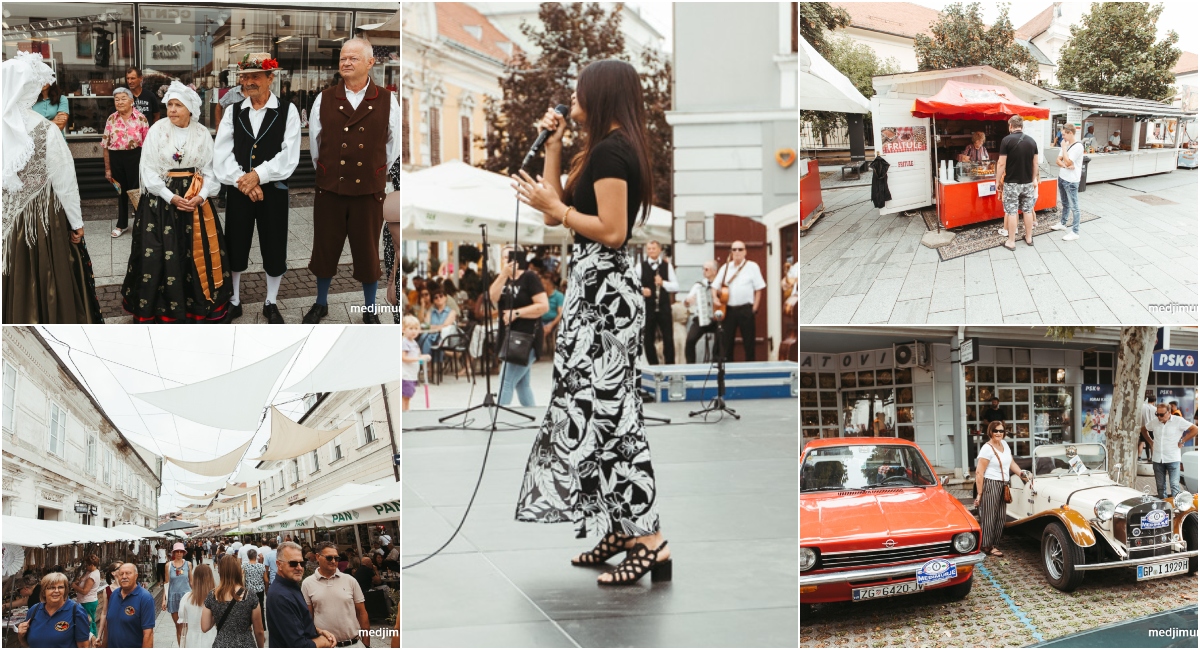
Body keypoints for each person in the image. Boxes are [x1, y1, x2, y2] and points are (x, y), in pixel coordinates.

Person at [510, 59, 670, 585]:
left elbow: (614, 230)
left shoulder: (611, 151)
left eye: (578, 90)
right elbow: (554, 213)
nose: (569, 97)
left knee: (612, 415)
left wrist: (556, 204)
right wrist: (554, 149)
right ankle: (618, 530)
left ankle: (649, 539)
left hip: (606, 296)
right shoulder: (599, 149)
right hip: (591, 290)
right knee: (589, 410)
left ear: (598, 94)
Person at [303, 37, 401, 325]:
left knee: (367, 253)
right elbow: (316, 144)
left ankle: (369, 309)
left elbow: (393, 147)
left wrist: (373, 173)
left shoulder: (387, 100)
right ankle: (320, 303)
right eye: (343, 58)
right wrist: (327, 172)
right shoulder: (325, 97)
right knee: (324, 249)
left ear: (370, 62)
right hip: (329, 190)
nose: (345, 62)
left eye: (353, 58)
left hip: (368, 193)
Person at [119, 80, 232, 322]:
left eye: (178, 105)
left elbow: (212, 171)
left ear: (190, 108)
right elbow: (148, 170)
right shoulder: (157, 130)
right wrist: (170, 196)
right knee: (158, 253)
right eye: (169, 104)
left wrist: (201, 197)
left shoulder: (202, 134)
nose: (172, 110)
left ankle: (197, 305)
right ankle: (159, 309)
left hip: (194, 201)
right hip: (161, 204)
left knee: (192, 254)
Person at [2, 52, 101, 324]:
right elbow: (64, 181)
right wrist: (77, 222)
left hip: (7, 219)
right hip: (41, 220)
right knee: (46, 273)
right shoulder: (45, 129)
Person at [214, 53, 302, 324]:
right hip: (240, 190)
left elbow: (289, 155)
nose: (248, 82)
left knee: (274, 244)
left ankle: (271, 301)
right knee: (236, 243)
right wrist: (245, 181)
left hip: (273, 191)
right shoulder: (233, 110)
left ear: (270, 78)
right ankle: (235, 300)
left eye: (255, 76)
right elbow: (222, 153)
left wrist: (259, 176)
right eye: (245, 77)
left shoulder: (288, 111)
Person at [489, 246, 548, 407]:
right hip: (508, 336)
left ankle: (499, 418)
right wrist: (503, 274)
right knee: (522, 384)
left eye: (512, 256)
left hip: (526, 337)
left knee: (506, 381)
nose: (508, 260)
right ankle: (534, 421)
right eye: (505, 257)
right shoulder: (502, 278)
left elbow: (543, 306)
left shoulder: (529, 277)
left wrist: (516, 313)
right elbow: (493, 297)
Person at [973, 421, 1029, 557]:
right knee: (989, 516)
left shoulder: (1004, 444)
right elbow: (979, 472)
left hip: (1004, 484)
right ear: (990, 432)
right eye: (995, 431)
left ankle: (994, 544)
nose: (998, 433)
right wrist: (980, 494)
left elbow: (1011, 463)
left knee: (1000, 516)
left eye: (1001, 431)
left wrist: (1022, 474)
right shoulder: (987, 448)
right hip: (991, 483)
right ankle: (986, 546)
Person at [267, 542, 338, 648]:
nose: (299, 568)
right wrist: (324, 642)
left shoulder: (290, 586)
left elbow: (298, 623)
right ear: (279, 565)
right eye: (293, 564)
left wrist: (319, 631)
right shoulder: (281, 596)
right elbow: (299, 645)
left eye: (302, 563)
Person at [303, 542, 370, 648]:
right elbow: (308, 617)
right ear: (317, 557)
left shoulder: (350, 580)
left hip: (353, 644)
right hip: (325, 645)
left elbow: (362, 612)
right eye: (329, 558)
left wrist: (366, 644)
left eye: (336, 558)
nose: (333, 561)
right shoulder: (308, 583)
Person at [103, 87, 150, 239]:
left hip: (135, 158)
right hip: (116, 159)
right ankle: (121, 224)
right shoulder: (111, 119)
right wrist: (108, 169)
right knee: (121, 192)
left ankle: (141, 222)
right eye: (116, 99)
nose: (120, 102)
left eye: (123, 98)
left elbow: (148, 145)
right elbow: (105, 146)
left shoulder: (141, 118)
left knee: (137, 192)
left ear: (132, 101)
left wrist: (147, 166)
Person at [712, 241, 766, 362]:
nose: (737, 252)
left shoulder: (752, 267)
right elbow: (714, 286)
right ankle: (729, 371)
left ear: (745, 251)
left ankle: (751, 370)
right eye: (734, 249)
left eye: (740, 249)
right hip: (729, 310)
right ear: (731, 252)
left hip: (746, 309)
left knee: (749, 342)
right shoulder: (725, 268)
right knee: (727, 343)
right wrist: (715, 298)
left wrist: (754, 308)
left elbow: (759, 289)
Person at [201, 555, 264, 648]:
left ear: (220, 571)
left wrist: (218, 611)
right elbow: (259, 631)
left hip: (221, 644)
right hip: (245, 644)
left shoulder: (213, 595)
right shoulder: (249, 595)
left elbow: (205, 627)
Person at [997, 115, 1040, 251]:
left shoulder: (1006, 140)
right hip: (1027, 183)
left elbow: (1001, 163)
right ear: (1022, 126)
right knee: (1027, 210)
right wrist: (1032, 179)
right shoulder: (1032, 141)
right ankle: (1028, 238)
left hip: (1011, 183)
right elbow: (1035, 164)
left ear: (1010, 126)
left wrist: (997, 180)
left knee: (1011, 211)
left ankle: (1011, 241)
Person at [16, 572, 91, 648]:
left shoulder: (76, 611)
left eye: (60, 587)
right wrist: (21, 636)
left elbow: (83, 646)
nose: (56, 591)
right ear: (44, 592)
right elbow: (27, 645)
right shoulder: (34, 610)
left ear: (65, 590)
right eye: (51, 587)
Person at [1147, 403, 1198, 499]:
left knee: (1174, 485)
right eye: (1157, 414)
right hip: (1157, 458)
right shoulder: (1154, 422)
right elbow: (1144, 429)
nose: (1159, 417)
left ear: (1169, 412)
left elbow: (1195, 429)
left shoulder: (1178, 421)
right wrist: (1150, 441)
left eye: (1161, 415)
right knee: (1160, 487)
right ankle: (1163, 508)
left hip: (1173, 458)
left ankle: (1176, 510)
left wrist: (1183, 441)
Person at [98, 564, 154, 648]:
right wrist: (103, 645)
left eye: (128, 573)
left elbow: (148, 634)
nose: (124, 577)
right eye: (121, 574)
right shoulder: (114, 595)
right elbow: (108, 624)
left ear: (136, 576)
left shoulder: (145, 598)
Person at [640, 240, 678, 365]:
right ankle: (654, 366)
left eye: (654, 248)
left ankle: (670, 366)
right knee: (648, 339)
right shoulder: (640, 266)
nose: (651, 251)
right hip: (648, 307)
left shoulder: (668, 266)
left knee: (668, 338)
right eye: (649, 248)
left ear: (659, 250)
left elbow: (676, 286)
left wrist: (663, 283)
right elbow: (633, 285)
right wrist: (642, 290)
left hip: (664, 307)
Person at [1049, 122, 1084, 242]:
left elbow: (1069, 162)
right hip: (1063, 177)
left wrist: (1064, 150)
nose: (1062, 137)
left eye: (1064, 134)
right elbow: (1058, 161)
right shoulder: (1067, 144)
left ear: (1070, 133)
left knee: (1074, 206)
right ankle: (1063, 223)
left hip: (1072, 180)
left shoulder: (1078, 146)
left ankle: (1075, 231)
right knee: (1065, 203)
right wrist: (1065, 165)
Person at [684, 260, 719, 364]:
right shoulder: (699, 285)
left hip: (715, 318)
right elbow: (686, 303)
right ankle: (690, 365)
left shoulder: (720, 285)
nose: (704, 271)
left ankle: (716, 362)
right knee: (690, 340)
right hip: (700, 318)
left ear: (715, 271)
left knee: (721, 337)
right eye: (703, 269)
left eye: (707, 269)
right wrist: (688, 301)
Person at [178, 563, 217, 648]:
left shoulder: (186, 598)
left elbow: (182, 624)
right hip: (212, 638)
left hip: (191, 640)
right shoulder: (217, 598)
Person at [162, 542, 192, 646]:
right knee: (178, 626)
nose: (179, 553)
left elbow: (191, 582)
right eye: (177, 551)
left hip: (186, 598)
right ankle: (181, 646)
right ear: (174, 553)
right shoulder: (168, 565)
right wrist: (164, 600)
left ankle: (187, 646)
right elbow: (166, 583)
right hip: (173, 598)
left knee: (186, 626)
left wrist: (197, 597)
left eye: (181, 551)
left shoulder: (188, 564)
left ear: (184, 552)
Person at [71, 554, 103, 639]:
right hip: (90, 601)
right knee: (91, 621)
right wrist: (80, 581)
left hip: (87, 601)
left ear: (92, 565)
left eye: (87, 565)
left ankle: (90, 640)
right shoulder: (92, 572)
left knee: (88, 621)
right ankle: (93, 639)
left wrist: (75, 587)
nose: (86, 566)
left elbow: (85, 591)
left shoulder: (92, 576)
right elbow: (83, 581)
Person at [402, 314, 431, 411]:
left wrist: (423, 357)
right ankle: (404, 414)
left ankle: (407, 412)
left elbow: (415, 356)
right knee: (404, 397)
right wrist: (418, 359)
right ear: (404, 329)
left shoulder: (414, 343)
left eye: (416, 328)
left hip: (412, 375)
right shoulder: (404, 342)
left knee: (408, 397)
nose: (414, 331)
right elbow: (403, 358)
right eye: (410, 328)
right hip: (405, 375)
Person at [419, 291, 457, 356]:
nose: (438, 298)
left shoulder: (452, 312)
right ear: (433, 300)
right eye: (435, 297)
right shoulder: (430, 312)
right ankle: (425, 362)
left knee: (425, 338)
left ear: (445, 298)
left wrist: (431, 327)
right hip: (430, 336)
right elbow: (425, 326)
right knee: (423, 337)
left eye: (441, 296)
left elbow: (445, 326)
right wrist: (422, 305)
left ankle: (425, 363)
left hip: (443, 337)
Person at [540, 271, 565, 352]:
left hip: (553, 322)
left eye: (542, 284)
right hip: (540, 321)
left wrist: (550, 325)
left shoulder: (559, 296)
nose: (540, 286)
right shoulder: (540, 296)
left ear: (549, 285)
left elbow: (560, 313)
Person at [1139, 390, 1157, 461]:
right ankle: (1153, 457)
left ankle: (1139, 456)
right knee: (1152, 442)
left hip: (1143, 427)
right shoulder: (1155, 409)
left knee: (1142, 442)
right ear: (1154, 401)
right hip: (1152, 428)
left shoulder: (1142, 407)